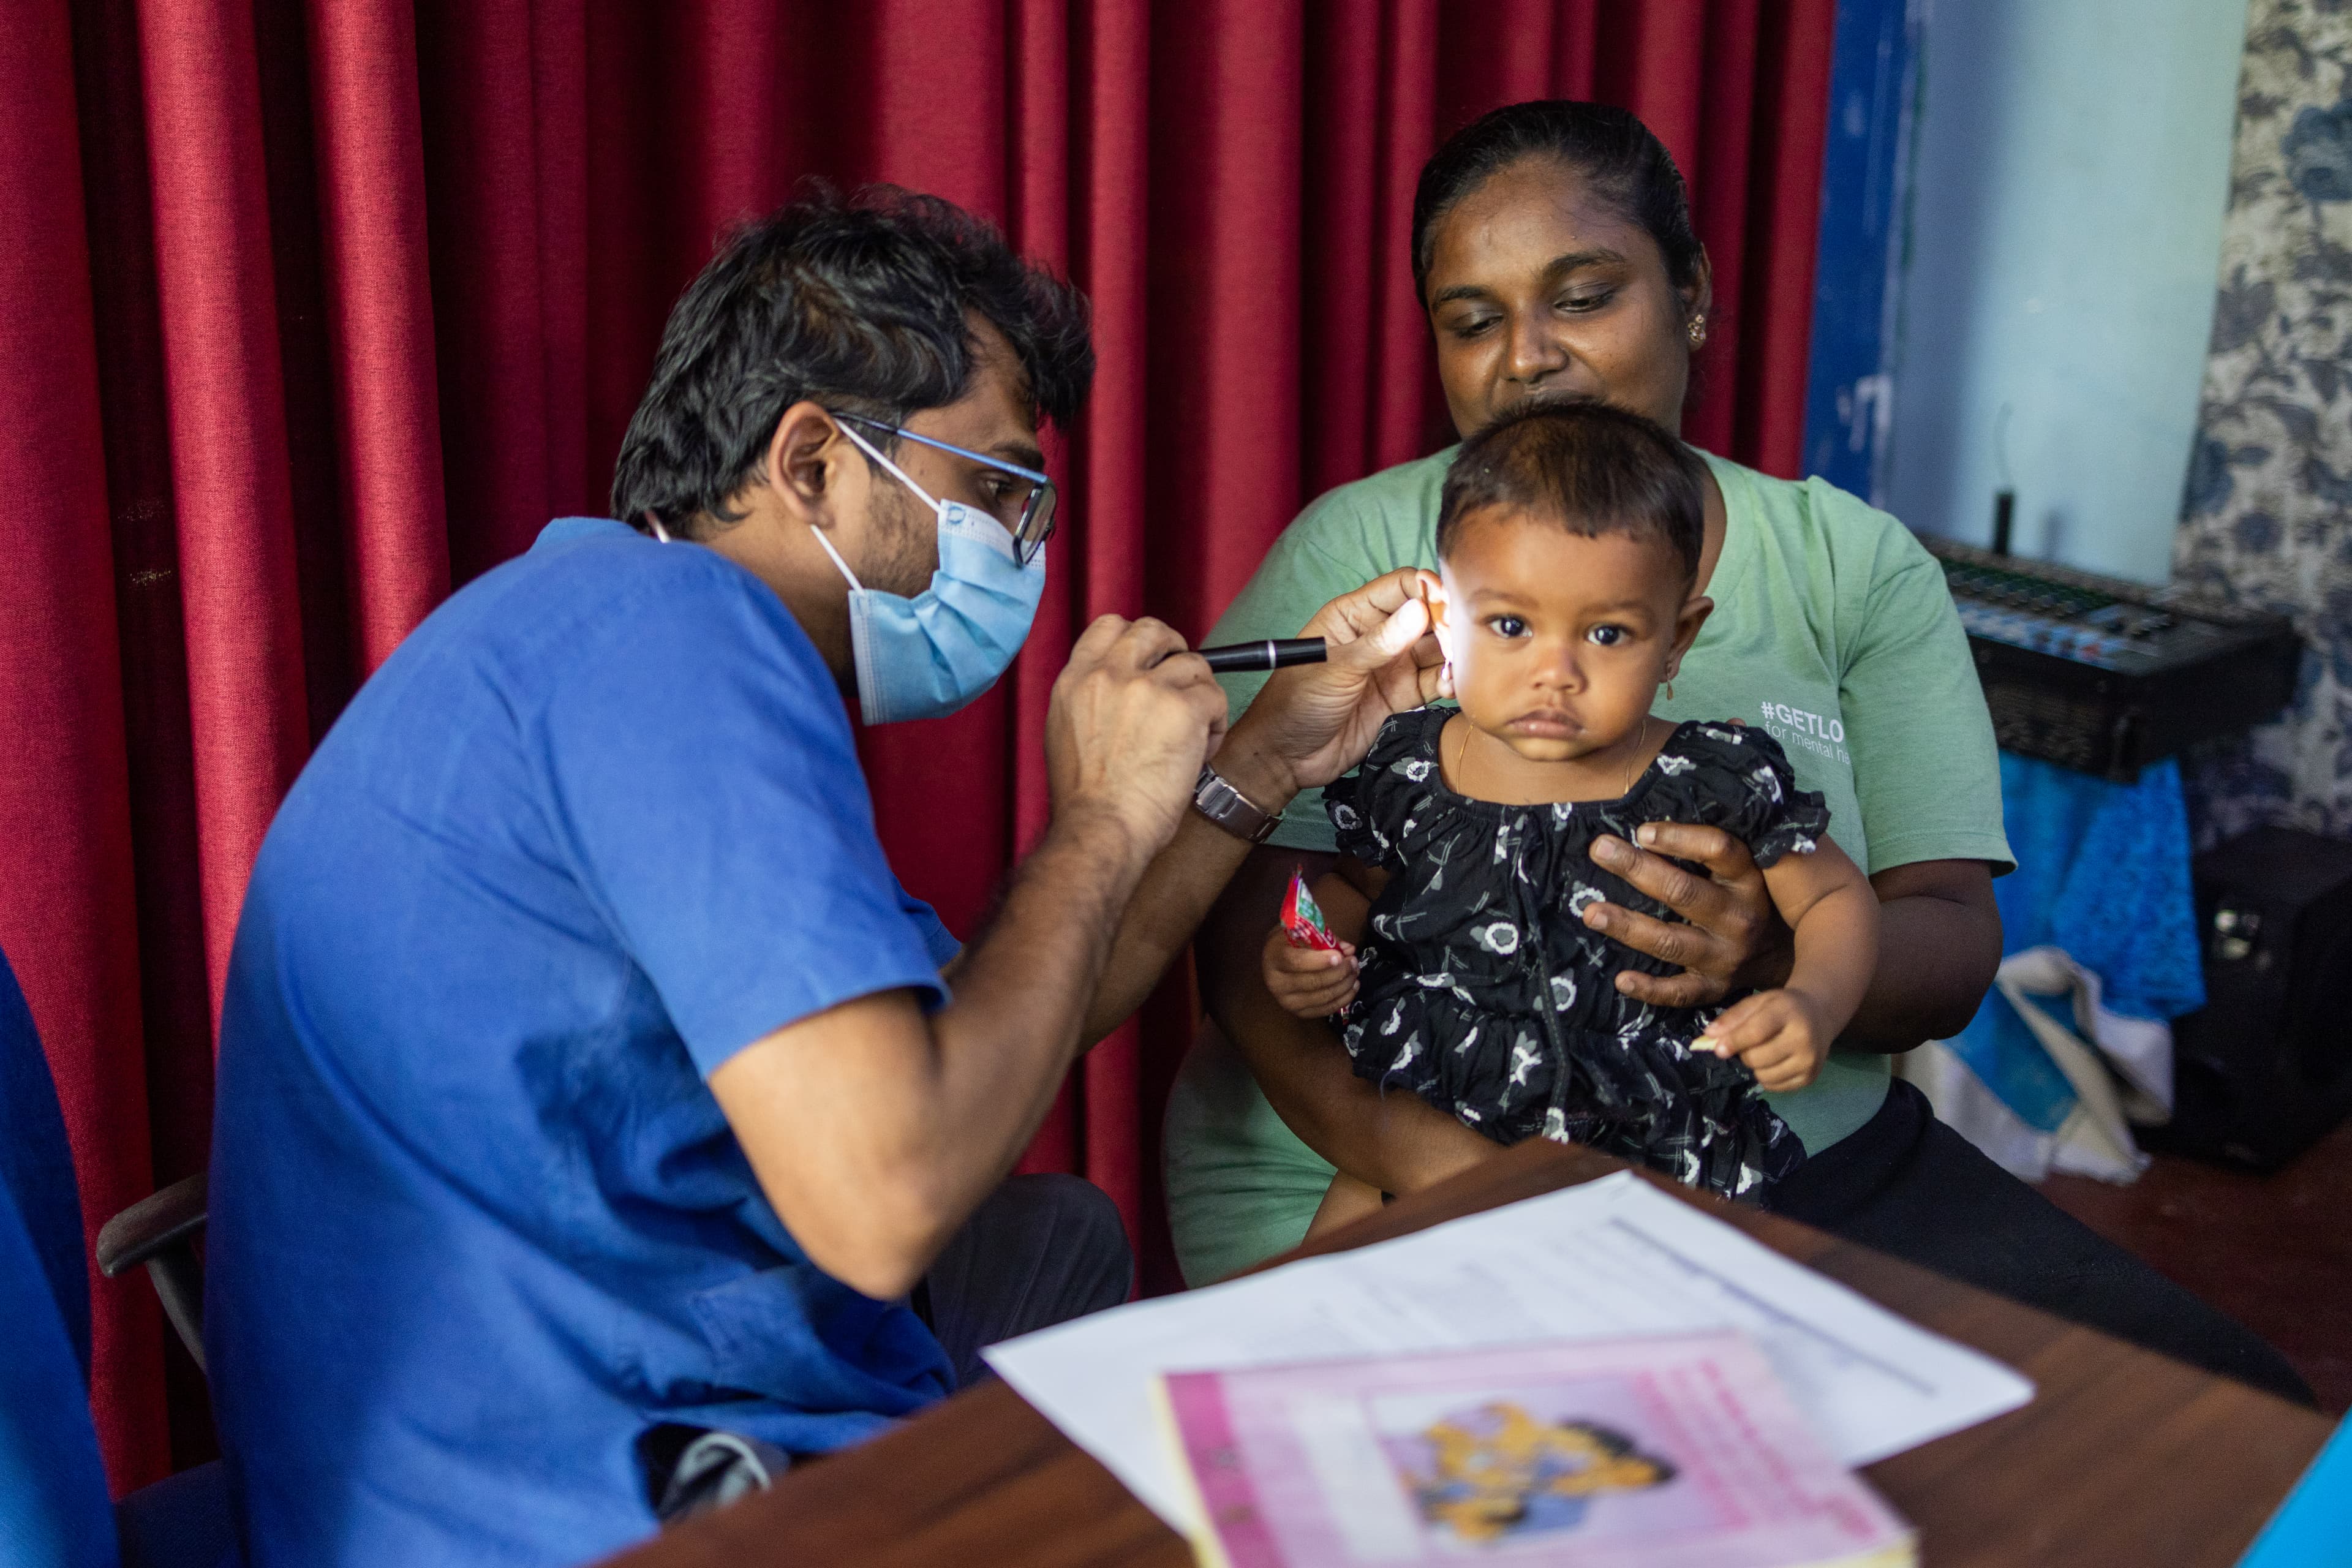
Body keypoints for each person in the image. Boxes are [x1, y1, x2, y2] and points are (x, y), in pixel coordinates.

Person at [203, 186, 1449, 1567]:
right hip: (576, 1486)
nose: (1020, 554)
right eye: (992, 490)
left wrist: (1260, 765)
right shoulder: (677, 637)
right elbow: (887, 1191)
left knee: (1058, 1235)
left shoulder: (589, 618)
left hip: (449, 1407)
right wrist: (1095, 819)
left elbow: (1011, 1010)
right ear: (810, 463)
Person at [1167, 100, 2310, 1404]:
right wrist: (1452, 1169)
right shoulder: (1361, 556)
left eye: (1582, 294)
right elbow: (1259, 932)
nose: (1526, 357)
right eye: (1473, 318)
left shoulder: (1850, 566)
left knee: (2227, 1421)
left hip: (1775, 1152)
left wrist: (1778, 959)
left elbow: (1947, 937)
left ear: (1693, 296)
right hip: (1388, 1134)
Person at [1265, 401, 1878, 1237]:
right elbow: (1353, 884)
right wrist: (1308, 955)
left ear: (1677, 638)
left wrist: (1814, 999)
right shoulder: (1406, 767)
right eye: (1510, 625)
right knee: (1321, 1312)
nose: (1554, 673)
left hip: (1658, 1167)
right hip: (1430, 1146)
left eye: (1607, 633)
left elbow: (1836, 900)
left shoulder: (1714, 778)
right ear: (1448, 617)